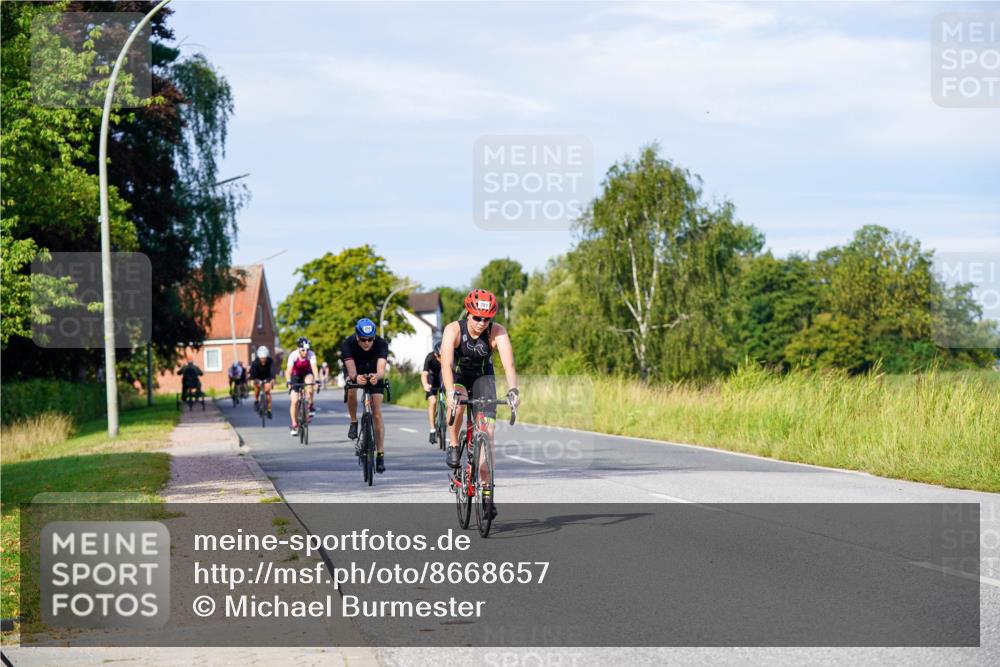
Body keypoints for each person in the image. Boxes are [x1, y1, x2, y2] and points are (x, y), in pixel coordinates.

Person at [441, 289, 520, 519]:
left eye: (487, 319)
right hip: (457, 377)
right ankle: (454, 444)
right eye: (477, 318)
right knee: (457, 403)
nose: (482, 323)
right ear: (468, 314)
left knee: (488, 433)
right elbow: (446, 364)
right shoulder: (453, 330)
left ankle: (486, 493)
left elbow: (509, 365)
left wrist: (513, 389)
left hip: (484, 379)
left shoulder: (497, 332)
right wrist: (449, 392)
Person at [341, 317, 389, 473]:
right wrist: (356, 378)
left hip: (374, 371)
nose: (367, 343)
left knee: (376, 412)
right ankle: (354, 421)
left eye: (370, 339)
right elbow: (351, 371)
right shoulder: (348, 344)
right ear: (357, 337)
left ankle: (380, 454)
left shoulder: (381, 344)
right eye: (363, 339)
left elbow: (381, 370)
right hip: (355, 370)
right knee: (351, 389)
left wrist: (377, 376)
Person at [285, 336, 319, 436]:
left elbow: (314, 368)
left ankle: (310, 404)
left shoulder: (311, 354)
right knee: (294, 401)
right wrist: (288, 381)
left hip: (307, 373)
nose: (305, 352)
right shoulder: (293, 355)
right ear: (298, 349)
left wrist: (317, 379)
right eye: (303, 350)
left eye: (307, 350)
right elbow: (288, 371)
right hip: (295, 376)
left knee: (310, 383)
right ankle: (294, 424)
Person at [422, 341, 443, 444]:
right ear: (435, 354)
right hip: (432, 377)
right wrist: (425, 385)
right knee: (433, 401)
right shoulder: (430, 357)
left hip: (443, 374)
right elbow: (424, 374)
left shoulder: (449, 355)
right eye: (440, 356)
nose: (442, 359)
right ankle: (432, 429)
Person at [249, 346, 275, 418]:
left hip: (267, 377)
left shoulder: (270, 361)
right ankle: (256, 400)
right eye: (261, 358)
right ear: (259, 357)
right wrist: (252, 380)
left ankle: (269, 410)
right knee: (256, 388)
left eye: (264, 358)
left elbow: (273, 371)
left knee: (267, 392)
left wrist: (272, 379)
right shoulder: (255, 362)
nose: (263, 360)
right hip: (258, 377)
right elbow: (252, 372)